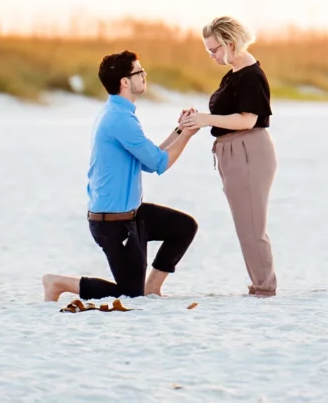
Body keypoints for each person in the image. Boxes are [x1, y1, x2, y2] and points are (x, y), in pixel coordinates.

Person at [43, 50, 198, 302]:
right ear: (125, 82)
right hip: (113, 224)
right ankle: (58, 283)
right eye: (139, 71)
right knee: (128, 294)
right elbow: (160, 163)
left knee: (183, 227)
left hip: (133, 214)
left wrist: (180, 129)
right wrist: (189, 135)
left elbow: (149, 161)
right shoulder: (119, 119)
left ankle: (153, 288)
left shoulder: (120, 114)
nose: (144, 75)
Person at [180, 16, 277, 297]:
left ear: (230, 43)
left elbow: (248, 120)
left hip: (248, 151)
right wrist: (198, 118)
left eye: (214, 49)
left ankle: (264, 287)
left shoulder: (250, 75)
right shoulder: (234, 72)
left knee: (251, 227)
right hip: (235, 151)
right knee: (246, 225)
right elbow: (227, 114)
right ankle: (262, 284)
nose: (211, 55)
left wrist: (206, 119)